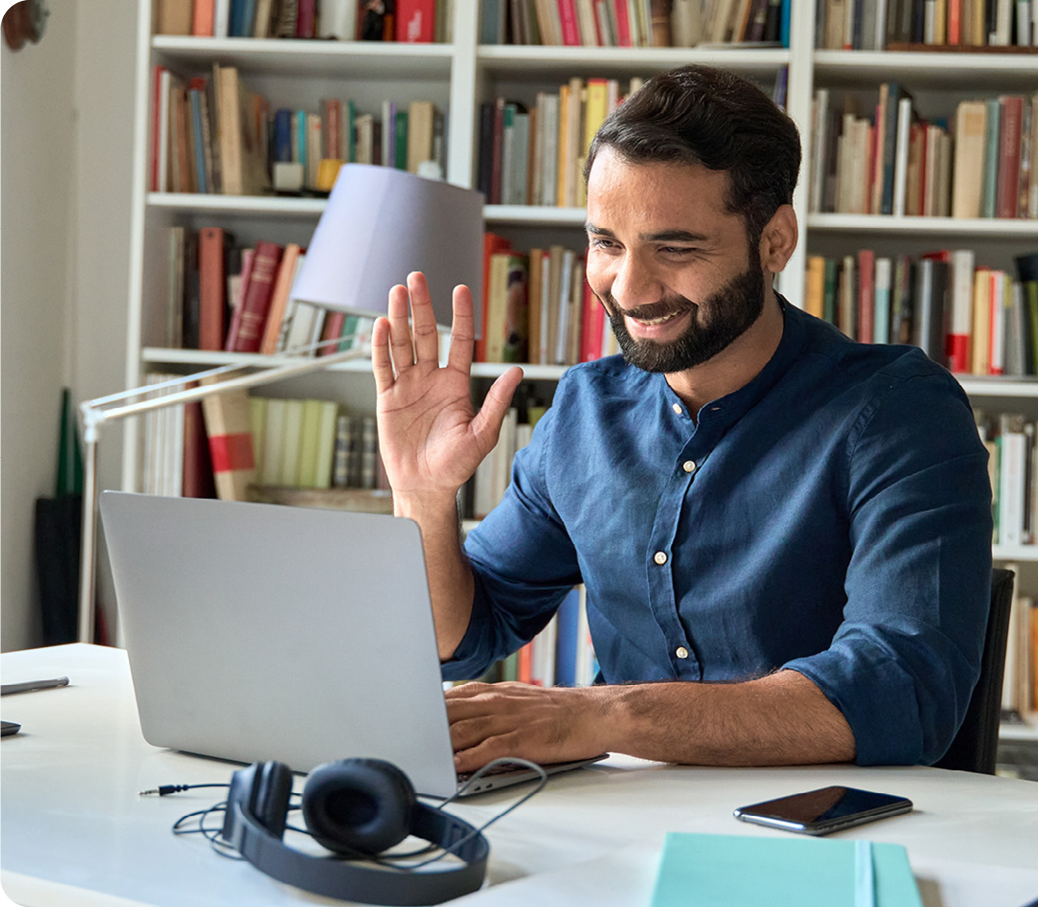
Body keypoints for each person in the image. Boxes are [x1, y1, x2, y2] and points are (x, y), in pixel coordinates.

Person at [370, 65, 993, 775]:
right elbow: (467, 635)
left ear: (775, 241)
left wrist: (599, 714)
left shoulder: (898, 411)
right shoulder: (583, 409)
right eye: (607, 243)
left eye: (675, 248)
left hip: (823, 824)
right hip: (620, 817)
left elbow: (904, 689)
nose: (629, 288)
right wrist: (422, 496)